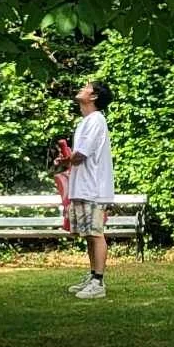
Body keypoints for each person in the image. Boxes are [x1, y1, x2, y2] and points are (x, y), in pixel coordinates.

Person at [56, 79, 114, 299]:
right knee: (89, 235)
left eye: (86, 88)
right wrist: (65, 160)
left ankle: (98, 283)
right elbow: (77, 156)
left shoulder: (96, 120)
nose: (81, 89)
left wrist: (66, 159)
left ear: (94, 97)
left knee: (96, 233)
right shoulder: (86, 121)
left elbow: (80, 156)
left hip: (94, 188)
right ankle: (92, 277)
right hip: (83, 186)